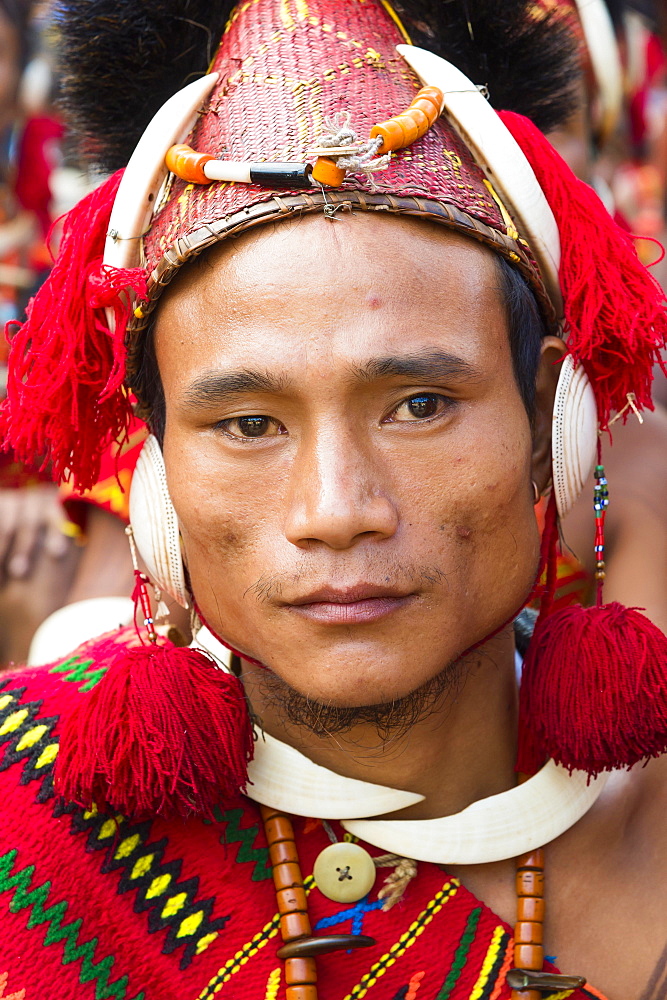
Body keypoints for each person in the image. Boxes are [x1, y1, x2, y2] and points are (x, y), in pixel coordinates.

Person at [0, 2, 666, 998]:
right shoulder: (26, 818)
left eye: (419, 404)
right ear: (155, 448)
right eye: (248, 424)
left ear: (542, 416)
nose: (335, 507)